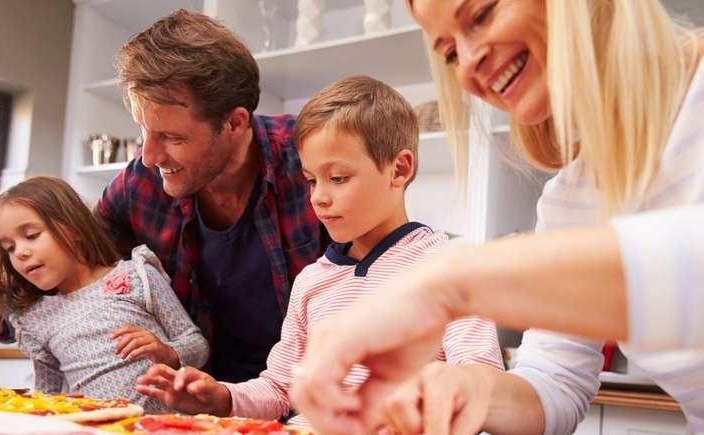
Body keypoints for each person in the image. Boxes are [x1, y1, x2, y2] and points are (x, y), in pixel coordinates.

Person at [290, 1, 704, 434]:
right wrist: (468, 388)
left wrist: (451, 282)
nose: (468, 63)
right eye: (449, 52)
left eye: (482, 14)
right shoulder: (570, 198)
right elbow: (554, 385)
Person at [0, 9, 328, 384]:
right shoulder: (141, 184)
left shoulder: (314, 161)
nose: (150, 156)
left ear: (234, 123)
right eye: (143, 132)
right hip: (199, 401)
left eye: (172, 137)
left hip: (312, 395)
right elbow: (62, 260)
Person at [134, 75, 504, 427]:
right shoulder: (313, 281)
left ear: (399, 169)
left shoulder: (448, 268)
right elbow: (280, 388)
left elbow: (479, 377)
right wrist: (223, 398)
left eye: (338, 178)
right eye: (311, 180)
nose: (319, 197)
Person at [0, 176, 208, 413]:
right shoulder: (35, 317)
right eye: (9, 248)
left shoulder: (137, 276)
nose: (20, 253)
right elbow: (47, 398)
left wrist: (167, 353)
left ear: (73, 228)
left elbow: (197, 345)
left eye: (31, 235)